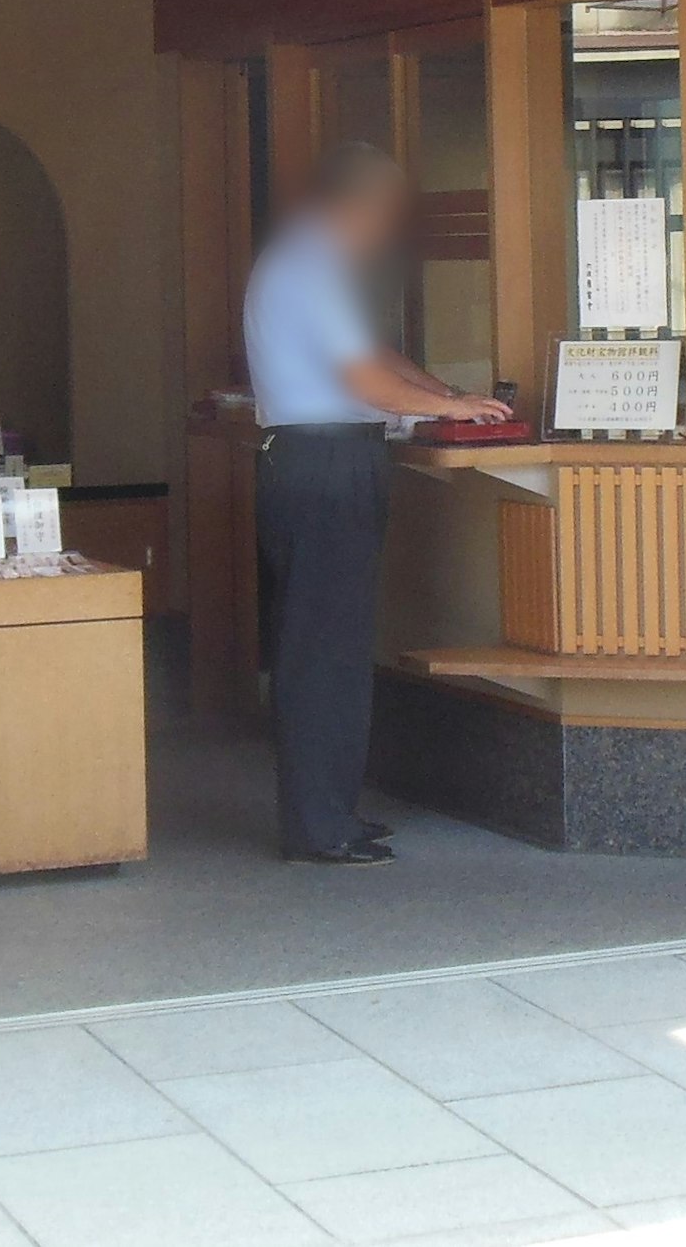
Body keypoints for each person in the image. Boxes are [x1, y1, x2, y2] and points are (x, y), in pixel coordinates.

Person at [243, 142, 511, 864]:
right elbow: (364, 376)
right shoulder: (306, 263)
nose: (393, 223)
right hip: (320, 462)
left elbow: (378, 355)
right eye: (388, 207)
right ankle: (317, 823)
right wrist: (437, 409)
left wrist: (451, 399)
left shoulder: (318, 263)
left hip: (330, 460)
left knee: (335, 641)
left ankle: (332, 808)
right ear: (353, 202)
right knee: (321, 648)